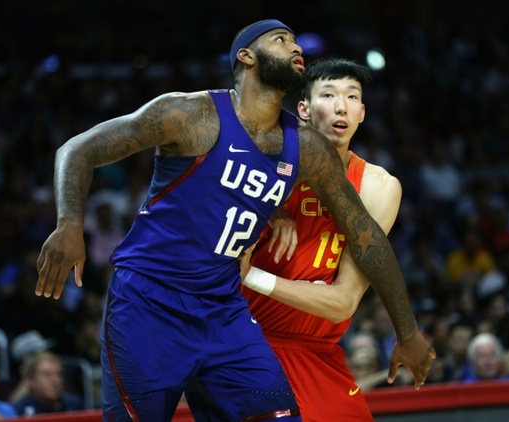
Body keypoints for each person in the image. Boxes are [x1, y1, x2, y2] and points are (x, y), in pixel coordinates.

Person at [36, 18, 432, 421]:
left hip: (224, 308)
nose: (296, 48)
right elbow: (77, 149)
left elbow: (367, 238)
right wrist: (69, 222)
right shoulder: (190, 114)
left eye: (297, 42)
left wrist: (407, 331)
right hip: (149, 301)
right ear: (246, 56)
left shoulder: (308, 148)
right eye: (281, 40)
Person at [240, 58, 435, 421]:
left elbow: (344, 302)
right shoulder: (264, 164)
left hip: (318, 349)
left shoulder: (379, 186)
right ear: (303, 109)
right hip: (247, 340)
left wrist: (252, 276)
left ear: (362, 112)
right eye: (328, 95)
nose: (341, 105)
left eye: (351, 96)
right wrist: (272, 209)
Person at [12, 351, 83, 416]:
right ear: (31, 381)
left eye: (59, 374)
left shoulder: (74, 405)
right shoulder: (20, 410)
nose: (56, 381)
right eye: (46, 375)